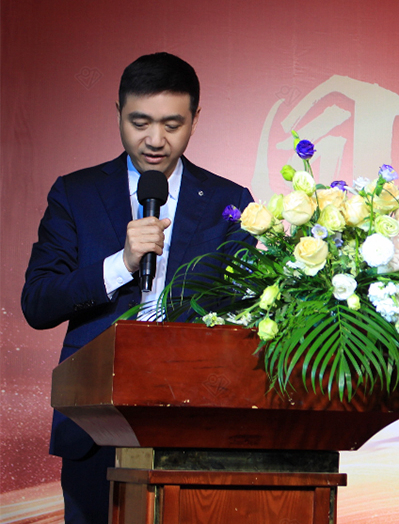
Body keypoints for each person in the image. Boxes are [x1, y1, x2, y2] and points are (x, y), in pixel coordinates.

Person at [21, 52, 255, 523]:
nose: (154, 140)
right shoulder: (76, 193)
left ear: (195, 119)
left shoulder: (230, 202)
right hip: (94, 422)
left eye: (172, 124)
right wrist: (120, 264)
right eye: (140, 122)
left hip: (196, 418)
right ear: (118, 113)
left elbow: (246, 305)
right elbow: (38, 302)